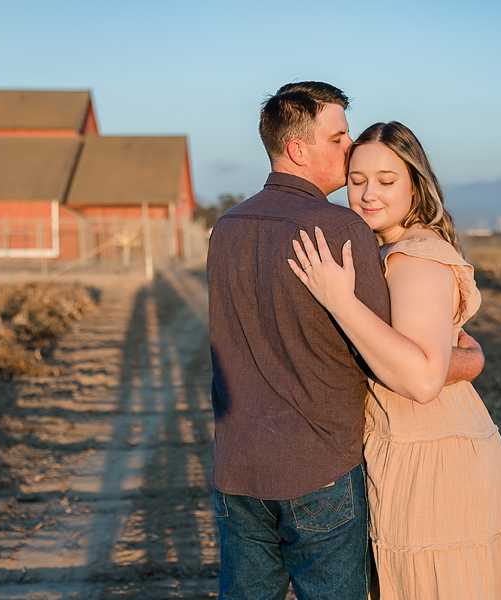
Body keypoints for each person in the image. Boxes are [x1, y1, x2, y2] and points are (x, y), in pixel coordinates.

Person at [208, 85, 485, 600]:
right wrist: (468, 359)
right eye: (337, 138)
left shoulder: (225, 229)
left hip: (238, 467)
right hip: (320, 467)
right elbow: (383, 356)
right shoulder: (340, 229)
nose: (348, 144)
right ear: (298, 150)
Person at [289, 121, 501, 599]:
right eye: (357, 180)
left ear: (415, 184)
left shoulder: (415, 256)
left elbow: (423, 379)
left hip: (431, 450)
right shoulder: (390, 251)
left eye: (387, 181)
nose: (367, 194)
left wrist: (340, 301)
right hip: (411, 442)